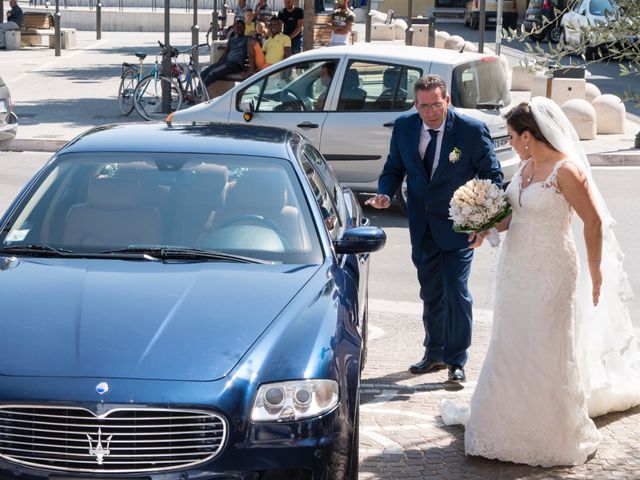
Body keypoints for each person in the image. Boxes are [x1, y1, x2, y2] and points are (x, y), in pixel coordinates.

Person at [450, 97, 640, 466]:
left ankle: (548, 430)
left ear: (526, 136)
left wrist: (596, 269)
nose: (510, 143)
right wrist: (483, 224)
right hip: (515, 269)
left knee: (544, 346)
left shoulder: (566, 171)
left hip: (551, 270)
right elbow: (512, 218)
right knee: (510, 341)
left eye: (511, 136)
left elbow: (594, 221)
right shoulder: (523, 170)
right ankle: (501, 424)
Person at [365, 74, 502, 383]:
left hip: (459, 226)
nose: (430, 112)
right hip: (422, 225)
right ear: (416, 104)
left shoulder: (470, 131)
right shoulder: (404, 126)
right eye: (423, 106)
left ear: (447, 101)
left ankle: (456, 360)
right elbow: (394, 167)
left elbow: (491, 176)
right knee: (430, 292)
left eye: (436, 105)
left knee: (456, 291)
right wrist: (385, 192)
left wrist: (481, 223)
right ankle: (434, 353)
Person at [201, 20, 254, 88]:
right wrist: (217, 65)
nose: (239, 29)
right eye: (237, 27)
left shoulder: (247, 39)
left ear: (244, 28)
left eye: (241, 27)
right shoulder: (231, 40)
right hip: (226, 63)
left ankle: (198, 94)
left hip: (235, 65)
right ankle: (198, 92)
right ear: (234, 29)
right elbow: (225, 55)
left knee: (212, 74)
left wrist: (250, 70)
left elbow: (251, 53)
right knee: (203, 74)